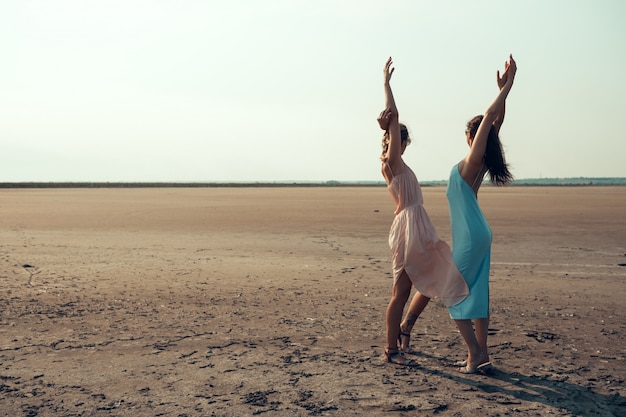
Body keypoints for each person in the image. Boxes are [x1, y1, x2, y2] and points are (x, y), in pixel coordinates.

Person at [377, 57, 469, 366]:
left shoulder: (398, 163)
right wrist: (387, 84)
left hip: (416, 227)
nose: (404, 145)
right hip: (408, 231)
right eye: (400, 140)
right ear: (393, 141)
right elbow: (395, 116)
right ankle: (391, 348)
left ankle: (404, 332)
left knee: (434, 279)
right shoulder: (392, 163)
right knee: (401, 293)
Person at [446, 54, 517, 374]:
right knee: (477, 292)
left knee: (453, 292)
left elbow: (491, 118)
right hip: (477, 233)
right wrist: (505, 94)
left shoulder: (473, 161)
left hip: (472, 237)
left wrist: (507, 88)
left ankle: (475, 354)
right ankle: (483, 353)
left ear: (471, 137)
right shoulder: (479, 163)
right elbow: (496, 123)